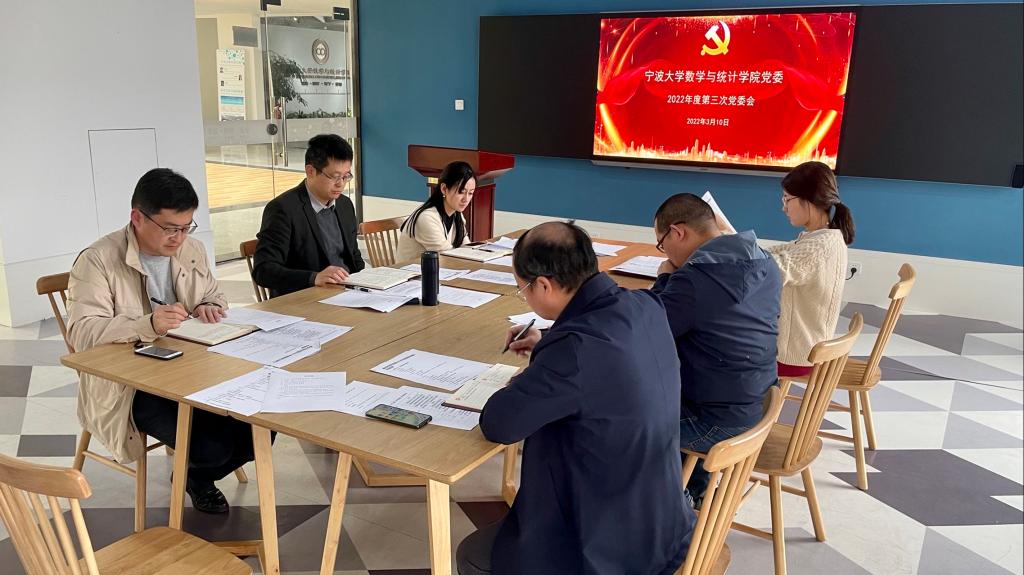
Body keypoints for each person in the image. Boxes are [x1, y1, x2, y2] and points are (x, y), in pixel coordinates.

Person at [456, 222, 694, 575]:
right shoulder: (644, 304)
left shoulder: (575, 350)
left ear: (543, 285)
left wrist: (536, 369)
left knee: (472, 555)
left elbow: (499, 424)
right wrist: (550, 342)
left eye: (523, 289)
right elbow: (601, 355)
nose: (526, 297)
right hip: (662, 521)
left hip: (609, 547)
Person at [67, 168, 258, 514]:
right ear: (137, 218)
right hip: (129, 386)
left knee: (260, 429)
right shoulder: (98, 260)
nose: (179, 238)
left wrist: (209, 305)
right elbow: (82, 334)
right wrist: (147, 324)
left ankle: (194, 476)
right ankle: (198, 474)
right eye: (170, 228)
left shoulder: (191, 248)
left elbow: (215, 294)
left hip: (192, 369)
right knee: (211, 445)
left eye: (186, 227)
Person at [650, 193, 781, 507]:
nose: (664, 251)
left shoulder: (696, 280)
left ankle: (671, 506)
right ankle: (696, 491)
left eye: (661, 243)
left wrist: (665, 278)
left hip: (717, 423)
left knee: (617, 420)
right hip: (757, 406)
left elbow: (649, 330)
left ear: (678, 232)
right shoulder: (765, 261)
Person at [767, 161, 854, 377]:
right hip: (810, 349)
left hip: (795, 357)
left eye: (787, 199)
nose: (783, 208)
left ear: (809, 199)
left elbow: (772, 270)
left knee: (718, 351)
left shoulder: (819, 246)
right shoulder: (825, 238)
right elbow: (780, 253)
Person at [253, 134, 365, 297]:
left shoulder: (345, 205)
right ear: (310, 171)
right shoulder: (283, 209)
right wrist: (314, 278)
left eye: (346, 176)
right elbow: (263, 270)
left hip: (347, 293)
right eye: (334, 176)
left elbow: (353, 256)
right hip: (304, 298)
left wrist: (368, 282)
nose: (341, 184)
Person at [394, 160, 475, 262]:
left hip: (438, 268)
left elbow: (467, 248)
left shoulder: (457, 215)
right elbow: (446, 256)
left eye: (470, 193)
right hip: (411, 270)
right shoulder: (427, 218)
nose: (466, 199)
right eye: (461, 192)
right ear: (444, 189)